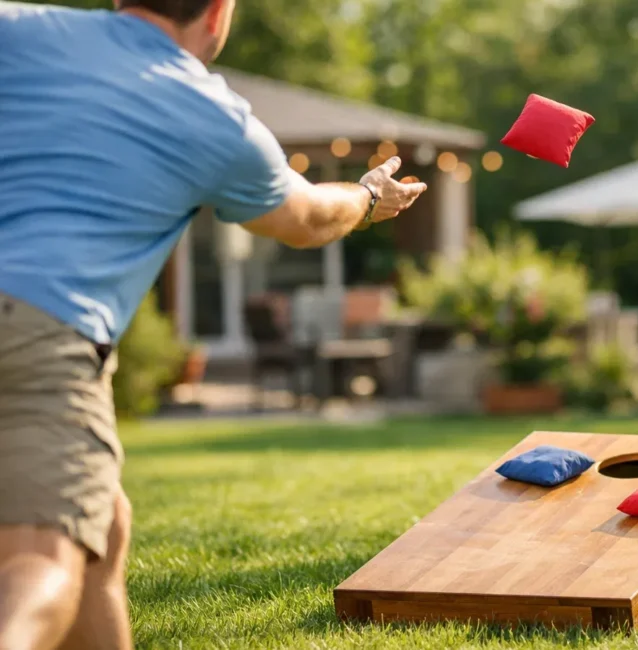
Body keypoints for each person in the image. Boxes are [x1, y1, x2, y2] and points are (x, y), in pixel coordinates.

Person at [0, 0, 428, 647]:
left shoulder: (21, 28)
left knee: (104, 527)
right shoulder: (213, 117)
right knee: (43, 559)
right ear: (218, 13)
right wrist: (371, 197)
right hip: (42, 324)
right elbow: (309, 217)